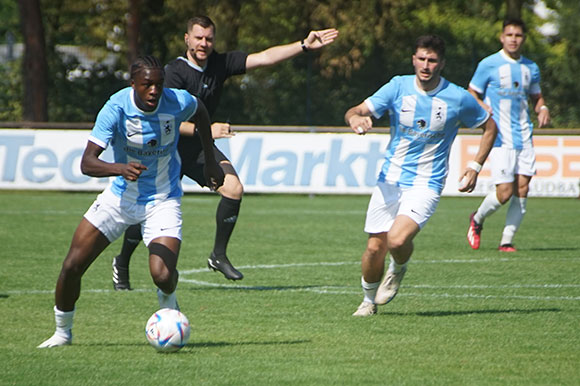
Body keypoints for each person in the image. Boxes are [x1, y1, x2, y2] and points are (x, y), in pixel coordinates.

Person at [111, 15, 339, 287]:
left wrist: (303, 45)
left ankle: (218, 255)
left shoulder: (219, 64)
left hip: (198, 149)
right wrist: (204, 129)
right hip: (165, 149)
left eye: (208, 38)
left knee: (233, 188)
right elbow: (164, 120)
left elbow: (264, 58)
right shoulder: (174, 73)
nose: (204, 43)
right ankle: (122, 262)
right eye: (198, 38)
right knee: (147, 209)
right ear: (187, 39)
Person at [38, 55, 224, 348]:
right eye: (147, 85)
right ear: (133, 84)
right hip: (119, 198)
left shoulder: (175, 101)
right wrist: (119, 168)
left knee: (162, 275)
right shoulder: (115, 108)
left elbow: (200, 110)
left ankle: (169, 304)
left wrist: (210, 161)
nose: (154, 91)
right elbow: (87, 163)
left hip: (163, 199)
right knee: (73, 265)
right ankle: (62, 333)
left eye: (159, 84)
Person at [344, 35, 498, 316]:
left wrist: (475, 166)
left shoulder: (458, 97)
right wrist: (356, 118)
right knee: (374, 248)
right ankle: (367, 301)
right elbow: (356, 110)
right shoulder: (397, 86)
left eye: (433, 60)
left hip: (427, 182)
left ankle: (398, 267)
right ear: (414, 59)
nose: (426, 65)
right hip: (389, 179)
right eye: (422, 59)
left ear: (442, 63)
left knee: (398, 240)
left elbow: (490, 127)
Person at [466, 18, 550, 252]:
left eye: (518, 35)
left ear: (523, 39)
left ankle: (506, 241)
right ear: (502, 37)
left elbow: (537, 97)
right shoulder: (489, 64)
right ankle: (477, 219)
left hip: (524, 135)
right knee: (504, 191)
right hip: (500, 137)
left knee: (522, 189)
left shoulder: (531, 68)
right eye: (509, 35)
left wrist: (542, 108)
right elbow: (472, 92)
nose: (514, 39)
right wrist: (480, 105)